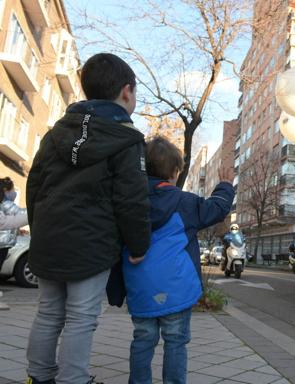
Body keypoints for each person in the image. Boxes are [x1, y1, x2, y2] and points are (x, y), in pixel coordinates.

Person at [25, 53, 152, 384]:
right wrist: (139, 244)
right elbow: (131, 199)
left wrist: (39, 229)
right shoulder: (127, 140)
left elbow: (34, 185)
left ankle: (37, 377)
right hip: (92, 244)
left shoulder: (54, 135)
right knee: (81, 316)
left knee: (49, 312)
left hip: (49, 238)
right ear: (127, 92)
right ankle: (74, 379)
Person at [123, 136, 234, 384]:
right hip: (178, 288)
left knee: (142, 339)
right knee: (176, 341)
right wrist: (225, 184)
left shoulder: (129, 201)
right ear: (174, 172)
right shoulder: (185, 203)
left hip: (139, 287)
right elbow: (216, 208)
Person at [0, 177, 27, 311]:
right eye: (12, 189)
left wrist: (17, 230)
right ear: (5, 190)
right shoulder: (6, 203)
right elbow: (19, 215)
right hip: (2, 244)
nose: (13, 193)